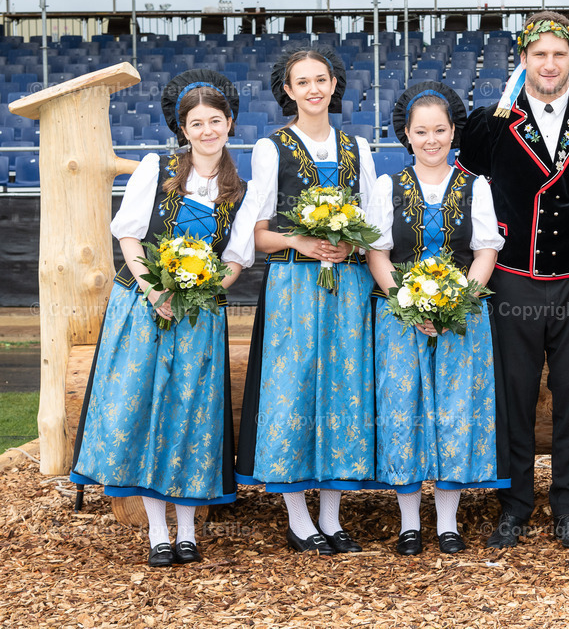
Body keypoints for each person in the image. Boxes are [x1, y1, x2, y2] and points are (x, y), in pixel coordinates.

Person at [456, 11, 569, 548]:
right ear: (524, 60)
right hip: (511, 278)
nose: (550, 64)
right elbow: (472, 199)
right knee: (513, 396)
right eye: (540, 55)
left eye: (560, 54)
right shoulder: (489, 122)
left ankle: (568, 503)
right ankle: (513, 504)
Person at [70, 69, 256, 567]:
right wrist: (155, 290)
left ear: (230, 123)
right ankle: (157, 531)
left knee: (191, 414)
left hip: (199, 316)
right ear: (184, 129)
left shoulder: (242, 190)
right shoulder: (156, 169)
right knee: (147, 409)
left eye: (215, 120)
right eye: (196, 123)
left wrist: (207, 285)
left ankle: (189, 528)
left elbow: (236, 258)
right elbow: (129, 237)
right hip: (143, 306)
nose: (207, 131)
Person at [234, 47, 378, 556]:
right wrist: (299, 241)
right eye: (303, 81)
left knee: (344, 392)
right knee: (291, 391)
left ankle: (333, 518)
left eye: (322, 79)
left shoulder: (358, 147)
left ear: (334, 85)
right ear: (288, 91)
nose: (314, 88)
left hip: (348, 287)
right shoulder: (272, 148)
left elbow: (374, 227)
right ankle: (298, 517)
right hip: (294, 286)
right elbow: (258, 233)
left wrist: (350, 243)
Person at [366, 82, 507, 556]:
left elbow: (485, 250)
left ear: (453, 133)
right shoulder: (389, 186)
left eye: (440, 130)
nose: (431, 140)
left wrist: (457, 304)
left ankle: (447, 521)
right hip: (399, 320)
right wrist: (407, 304)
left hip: (462, 319)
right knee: (403, 409)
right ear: (406, 134)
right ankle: (409, 522)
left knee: (454, 412)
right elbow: (378, 253)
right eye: (421, 131)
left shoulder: (476, 185)